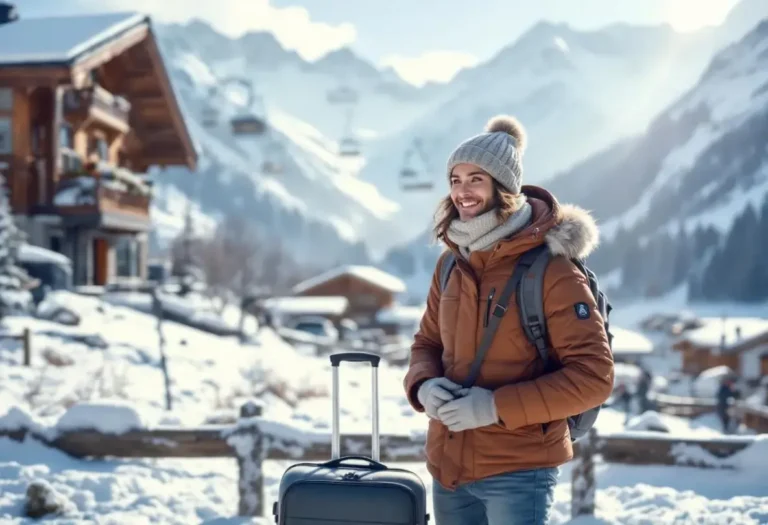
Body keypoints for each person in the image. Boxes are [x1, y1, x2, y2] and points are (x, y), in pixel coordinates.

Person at [404, 115, 615, 525]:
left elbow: (594, 378)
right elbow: (426, 345)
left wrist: (494, 408)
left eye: (476, 179)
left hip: (519, 472)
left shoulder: (551, 269)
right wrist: (423, 385)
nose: (462, 192)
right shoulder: (450, 264)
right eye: (455, 179)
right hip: (448, 468)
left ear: (504, 188)